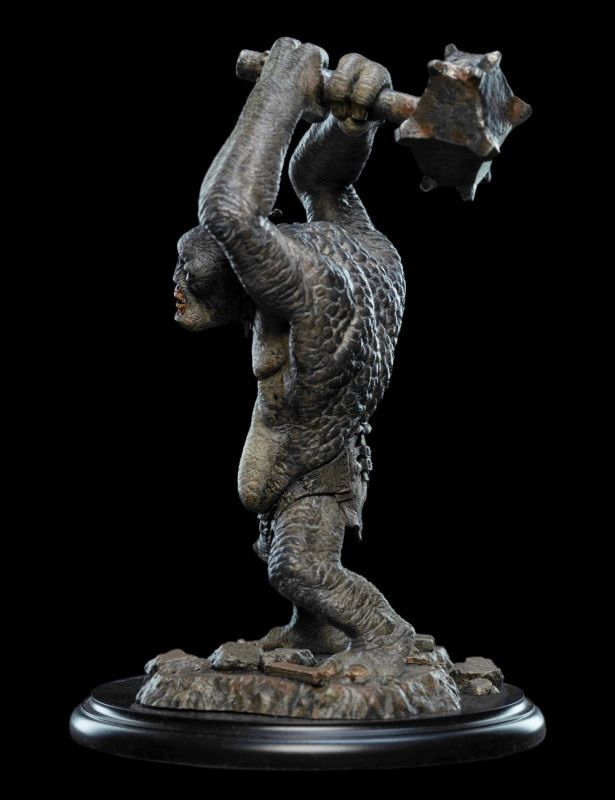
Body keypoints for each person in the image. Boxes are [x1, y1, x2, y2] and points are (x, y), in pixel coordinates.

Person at [173, 37, 414, 677]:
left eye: (191, 274)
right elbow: (321, 178)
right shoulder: (348, 245)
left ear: (252, 275)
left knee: (299, 567)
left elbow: (229, 212)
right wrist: (350, 120)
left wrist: (283, 81)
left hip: (318, 464)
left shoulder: (310, 288)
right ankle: (316, 627)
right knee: (288, 555)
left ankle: (386, 638)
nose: (178, 286)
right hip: (308, 450)